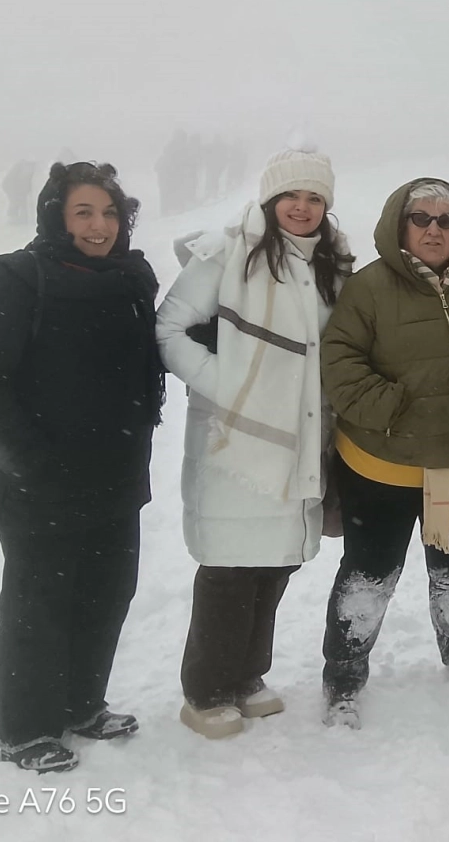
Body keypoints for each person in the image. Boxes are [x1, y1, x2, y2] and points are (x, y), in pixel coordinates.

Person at [0, 162, 163, 773]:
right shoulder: (16, 278)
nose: (100, 226)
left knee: (106, 595)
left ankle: (81, 704)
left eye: (110, 213)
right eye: (83, 213)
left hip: (116, 472)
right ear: (55, 217)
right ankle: (24, 728)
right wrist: (27, 461)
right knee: (37, 607)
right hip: (38, 482)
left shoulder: (131, 278)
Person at [156, 149, 354, 739]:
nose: (301, 207)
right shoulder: (227, 253)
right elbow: (168, 328)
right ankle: (204, 691)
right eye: (291, 196)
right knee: (229, 566)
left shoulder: (334, 266)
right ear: (270, 200)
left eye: (314, 198)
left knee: (275, 561)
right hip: (233, 441)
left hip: (303, 433)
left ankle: (245, 676)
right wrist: (227, 385)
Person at [320, 178, 449, 727]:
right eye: (421, 218)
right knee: (369, 576)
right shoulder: (369, 287)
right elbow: (339, 359)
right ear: (401, 224)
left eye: (446, 220)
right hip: (383, 464)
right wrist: (391, 407)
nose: (434, 229)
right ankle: (343, 679)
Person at [2, 159, 36, 224]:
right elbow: (9, 182)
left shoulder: (29, 168)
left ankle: (23, 220)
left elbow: (28, 182)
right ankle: (13, 219)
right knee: (16, 201)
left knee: (21, 203)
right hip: (11, 186)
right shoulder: (21, 167)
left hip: (19, 188)